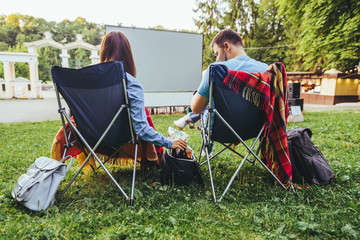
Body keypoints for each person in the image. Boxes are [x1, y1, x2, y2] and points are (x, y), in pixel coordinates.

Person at [100, 31, 187, 151]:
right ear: (128, 55)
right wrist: (168, 142)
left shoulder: (90, 82)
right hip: (119, 138)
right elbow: (141, 128)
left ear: (104, 52)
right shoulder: (131, 84)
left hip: (88, 137)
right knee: (143, 113)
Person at [174, 29, 268, 130]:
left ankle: (187, 119)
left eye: (217, 54)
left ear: (226, 46)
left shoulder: (216, 69)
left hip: (221, 131)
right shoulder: (266, 69)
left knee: (206, 100)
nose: (217, 60)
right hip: (256, 129)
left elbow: (196, 108)